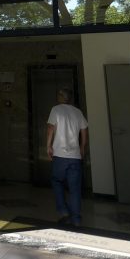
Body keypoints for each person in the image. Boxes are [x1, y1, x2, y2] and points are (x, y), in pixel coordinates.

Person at [46, 87, 88, 227]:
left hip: (60, 155)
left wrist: (48, 146)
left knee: (56, 181)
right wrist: (82, 147)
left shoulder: (56, 110)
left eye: (58, 94)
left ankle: (64, 211)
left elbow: (50, 128)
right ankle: (76, 219)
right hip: (75, 156)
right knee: (75, 188)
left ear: (61, 97)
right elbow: (84, 130)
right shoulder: (78, 112)